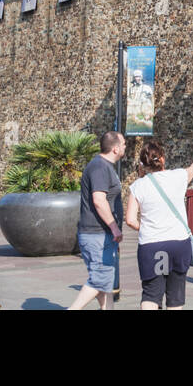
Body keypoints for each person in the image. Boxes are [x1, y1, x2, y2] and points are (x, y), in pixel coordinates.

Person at [125, 141, 193, 310]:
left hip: (152, 246)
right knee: (175, 297)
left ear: (143, 163)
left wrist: (147, 228)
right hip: (178, 243)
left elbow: (130, 220)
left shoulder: (138, 186)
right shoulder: (178, 176)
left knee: (151, 295)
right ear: (162, 159)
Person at [68, 131, 126, 310]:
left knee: (105, 285)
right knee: (100, 279)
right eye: (123, 144)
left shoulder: (104, 166)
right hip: (98, 235)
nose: (125, 146)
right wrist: (114, 227)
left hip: (100, 235)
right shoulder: (100, 167)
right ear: (115, 149)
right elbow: (99, 201)